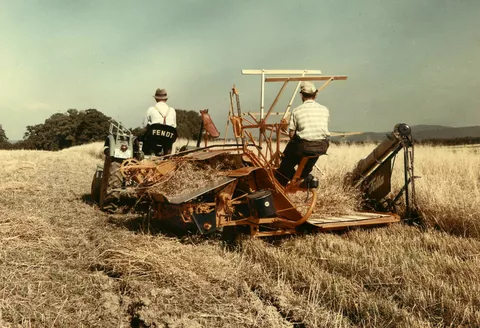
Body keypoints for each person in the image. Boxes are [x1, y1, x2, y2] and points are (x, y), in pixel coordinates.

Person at [275, 81, 330, 186]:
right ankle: (302, 177)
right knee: (306, 165)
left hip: (304, 146)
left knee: (287, 161)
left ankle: (283, 180)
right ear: (316, 94)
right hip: (322, 146)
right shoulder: (325, 110)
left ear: (301, 95)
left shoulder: (297, 111)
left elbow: (291, 134)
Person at [142, 88, 178, 154]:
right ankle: (167, 156)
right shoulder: (172, 110)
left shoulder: (151, 109)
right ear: (166, 99)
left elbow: (144, 124)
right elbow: (174, 126)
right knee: (169, 141)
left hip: (154, 138)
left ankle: (149, 155)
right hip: (168, 139)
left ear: (156, 98)